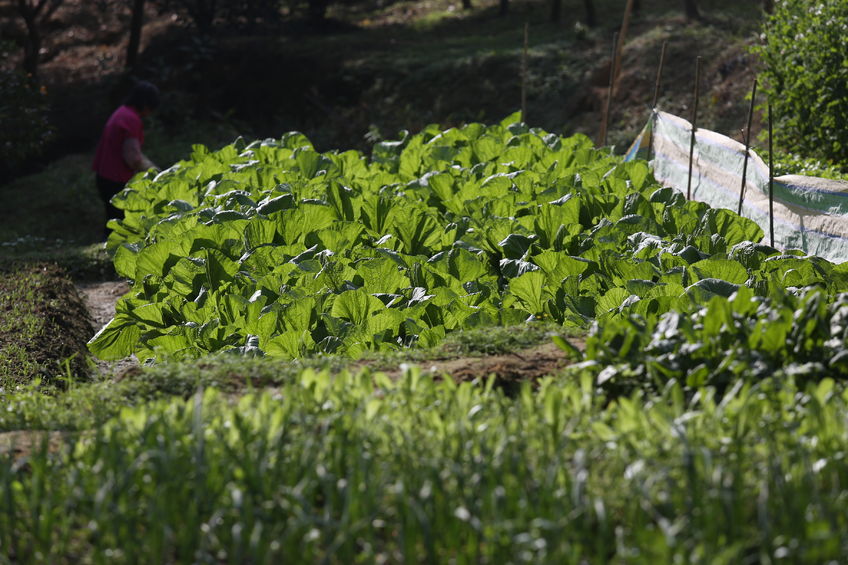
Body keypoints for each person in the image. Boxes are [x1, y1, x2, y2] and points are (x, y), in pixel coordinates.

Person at [92, 80, 160, 236]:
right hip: (115, 179)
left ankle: (106, 246)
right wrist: (155, 172)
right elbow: (133, 158)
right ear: (146, 104)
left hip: (104, 175)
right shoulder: (131, 119)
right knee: (119, 224)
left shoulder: (122, 112)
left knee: (112, 220)